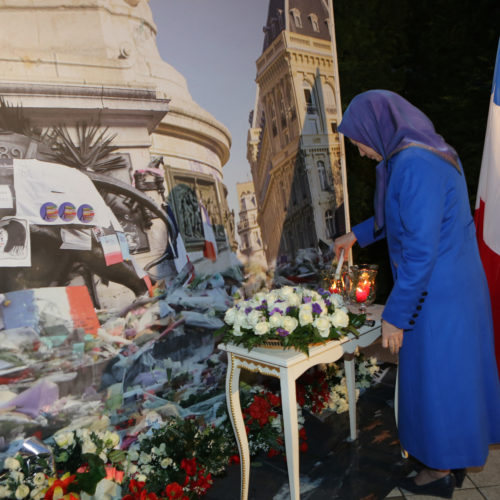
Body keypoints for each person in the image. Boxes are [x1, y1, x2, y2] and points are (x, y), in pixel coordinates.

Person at [334, 90, 500, 498]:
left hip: (435, 296)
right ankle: (453, 460)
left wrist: (396, 314)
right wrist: (357, 233)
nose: (358, 149)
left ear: (376, 126)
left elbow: (421, 247)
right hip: (455, 289)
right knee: (455, 380)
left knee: (435, 385)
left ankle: (438, 471)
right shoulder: (432, 151)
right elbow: (403, 214)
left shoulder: (411, 165)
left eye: (357, 138)